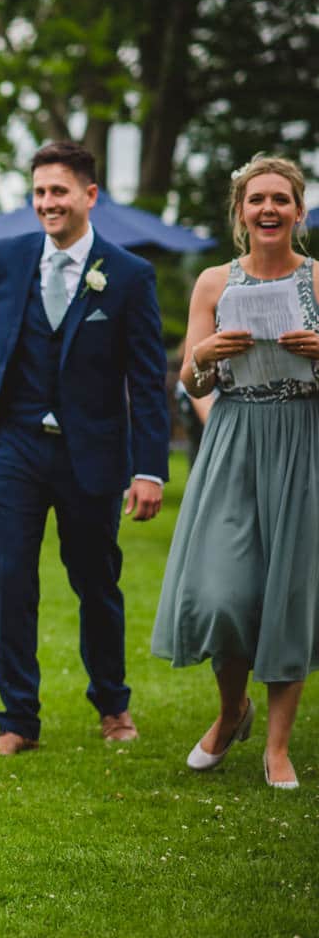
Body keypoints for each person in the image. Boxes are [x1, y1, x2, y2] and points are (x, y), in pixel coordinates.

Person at [0, 141, 169, 756]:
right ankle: (17, 720)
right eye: (39, 192)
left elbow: (148, 382)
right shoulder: (11, 256)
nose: (48, 203)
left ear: (89, 195)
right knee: (10, 582)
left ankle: (113, 705)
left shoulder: (127, 274)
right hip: (13, 445)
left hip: (91, 454)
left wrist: (149, 468)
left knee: (97, 582)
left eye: (59, 191)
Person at [153, 154, 319, 790]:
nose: (268, 209)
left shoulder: (317, 281)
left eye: (281, 199)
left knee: (288, 591)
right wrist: (204, 352)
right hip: (232, 438)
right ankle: (232, 711)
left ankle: (278, 748)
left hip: (301, 439)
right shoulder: (213, 283)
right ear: (241, 212)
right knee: (222, 593)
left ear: (298, 211)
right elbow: (191, 381)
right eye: (257, 200)